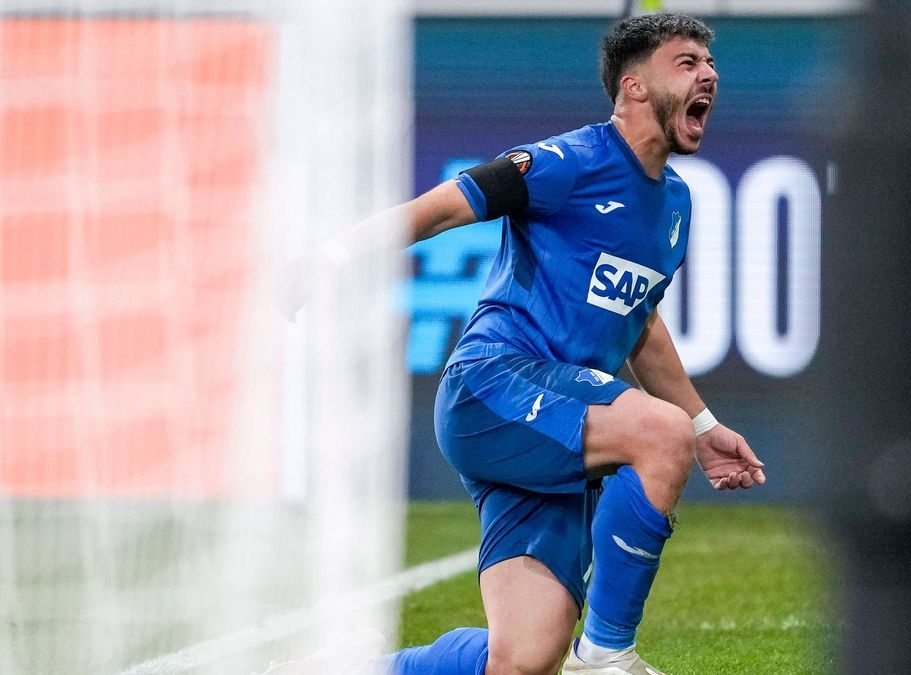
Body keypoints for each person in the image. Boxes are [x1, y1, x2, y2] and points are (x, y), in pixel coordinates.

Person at [281, 13, 765, 675]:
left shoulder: (674, 205)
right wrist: (333, 256)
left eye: (710, 65)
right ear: (635, 88)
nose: (708, 73)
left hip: (564, 426)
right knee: (658, 432)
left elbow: (639, 325)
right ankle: (607, 654)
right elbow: (446, 204)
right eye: (686, 62)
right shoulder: (574, 161)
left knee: (524, 661)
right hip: (495, 386)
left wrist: (705, 425)